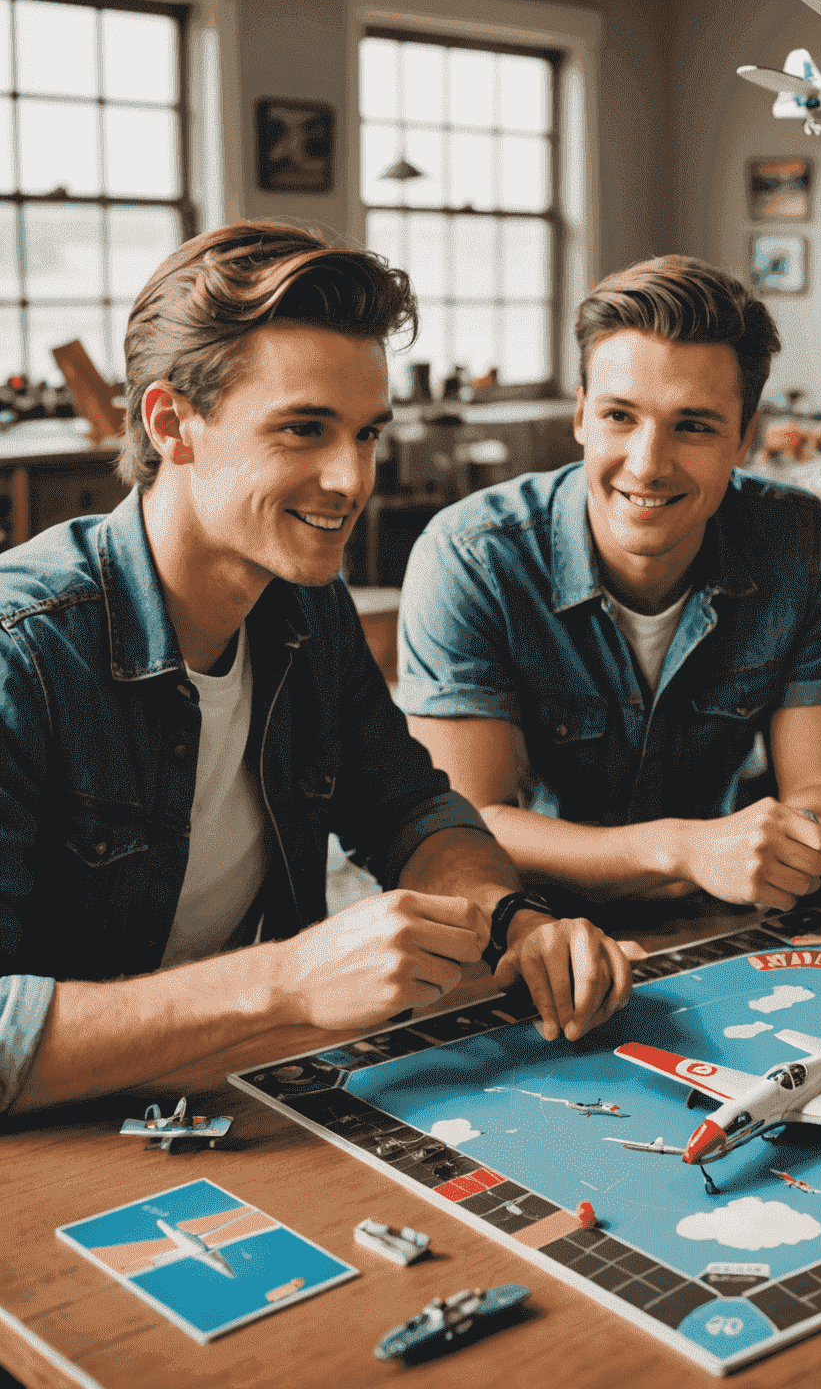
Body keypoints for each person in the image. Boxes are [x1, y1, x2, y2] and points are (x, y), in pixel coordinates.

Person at [0, 222, 634, 1117]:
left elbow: (403, 807)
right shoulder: (21, 652)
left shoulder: (306, 606)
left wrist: (511, 919)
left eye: (367, 433)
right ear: (172, 423)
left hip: (245, 1092)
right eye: (303, 430)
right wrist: (287, 979)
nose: (349, 478)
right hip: (58, 1144)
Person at [398, 255, 821, 910]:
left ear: (743, 437)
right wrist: (682, 849)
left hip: (730, 910)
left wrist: (795, 846)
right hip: (531, 917)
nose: (647, 465)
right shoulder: (472, 557)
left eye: (693, 426)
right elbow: (466, 822)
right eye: (620, 417)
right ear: (581, 415)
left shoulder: (799, 544)